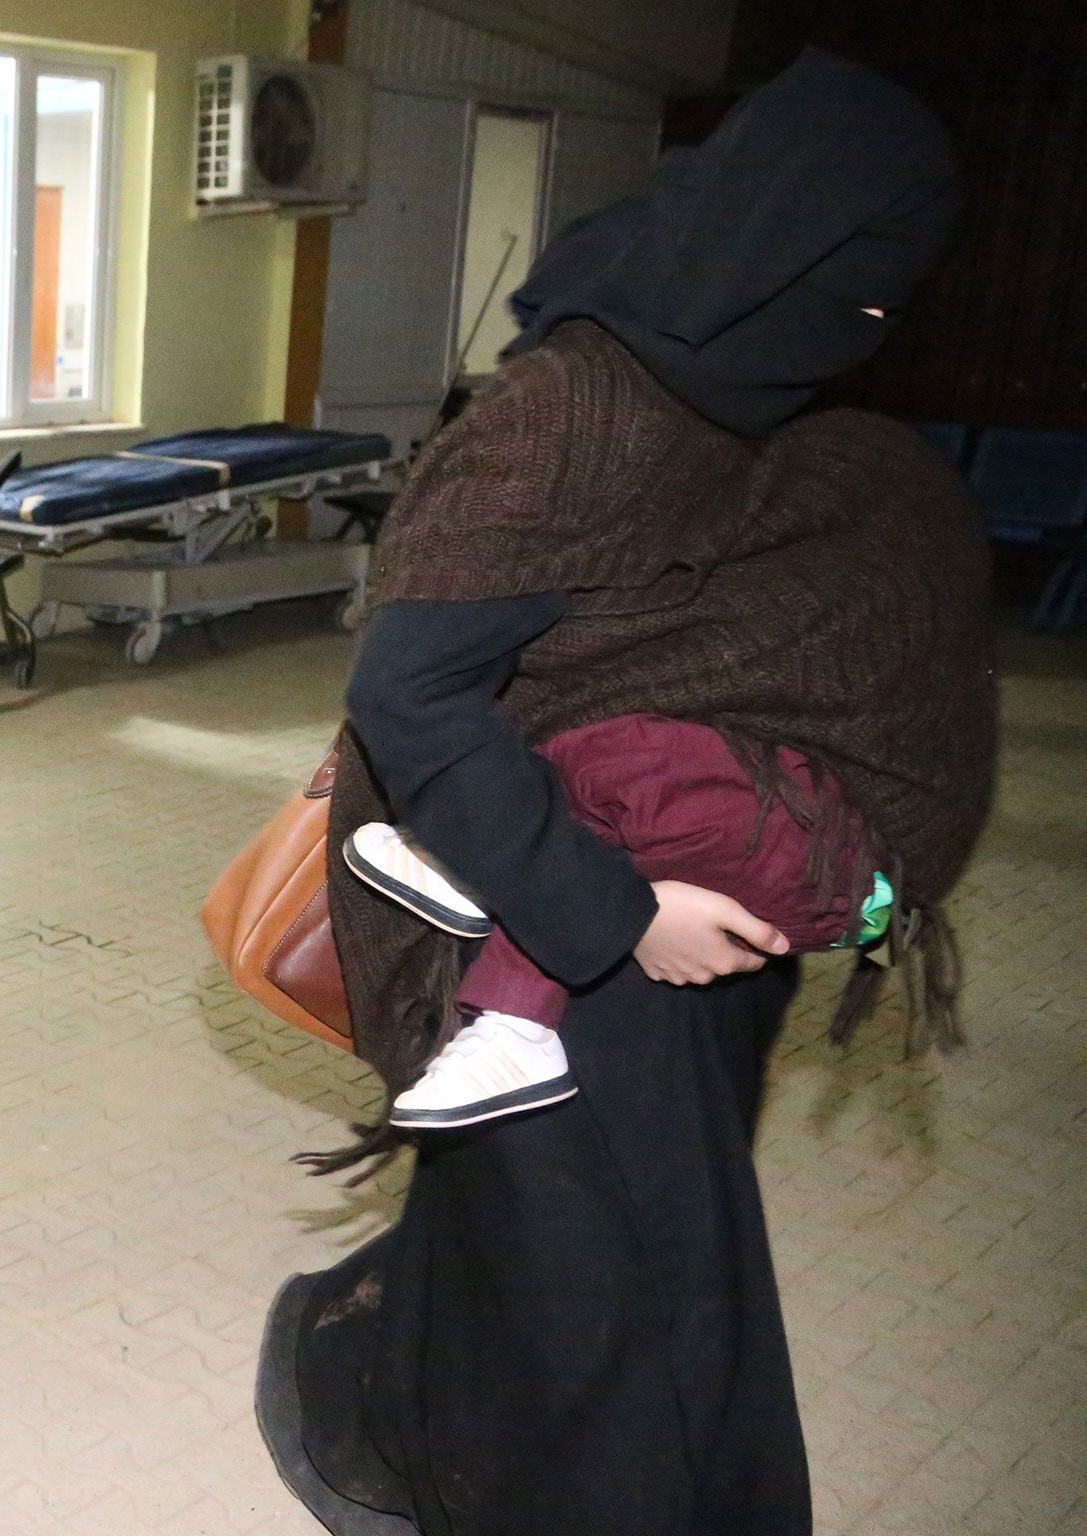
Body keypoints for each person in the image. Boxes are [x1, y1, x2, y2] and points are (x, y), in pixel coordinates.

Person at [257, 52, 997, 1536]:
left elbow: (749, 617)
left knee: (561, 1232)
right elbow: (410, 697)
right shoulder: (582, 407)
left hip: (681, 915)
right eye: (864, 276)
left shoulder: (774, 399)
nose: (872, 321)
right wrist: (619, 916)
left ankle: (418, 1424)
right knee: (643, 1303)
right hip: (544, 906)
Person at [347, 713, 895, 1128]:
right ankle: (506, 973)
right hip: (810, 869)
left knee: (604, 766)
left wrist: (633, 915)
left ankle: (497, 928)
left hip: (824, 863)